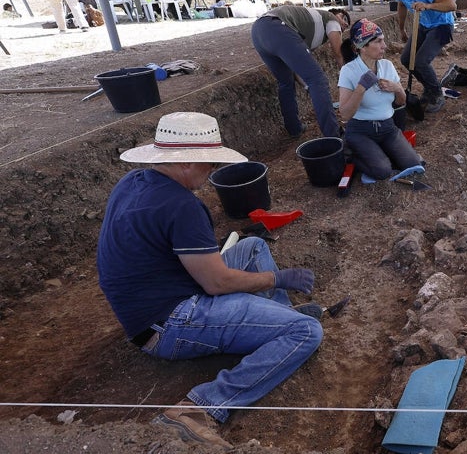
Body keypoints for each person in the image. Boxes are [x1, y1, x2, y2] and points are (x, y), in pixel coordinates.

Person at [96, 111, 323, 448]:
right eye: (210, 162)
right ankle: (200, 407)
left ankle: (277, 319)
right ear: (187, 162)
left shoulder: (132, 182)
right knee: (306, 331)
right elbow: (217, 284)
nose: (213, 169)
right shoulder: (182, 206)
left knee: (253, 246)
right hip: (169, 324)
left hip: (149, 303)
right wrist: (276, 278)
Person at [338, 19, 423, 182]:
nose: (384, 46)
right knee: (382, 171)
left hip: (387, 127)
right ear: (362, 46)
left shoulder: (387, 65)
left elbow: (401, 102)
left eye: (383, 40)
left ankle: (378, 152)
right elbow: (345, 114)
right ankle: (349, 154)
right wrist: (361, 88)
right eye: (378, 41)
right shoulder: (348, 71)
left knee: (412, 163)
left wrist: (397, 89)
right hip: (360, 130)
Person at [251, 5, 351, 138]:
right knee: (318, 80)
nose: (345, 24)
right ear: (335, 13)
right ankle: (334, 135)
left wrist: (307, 86)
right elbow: (339, 54)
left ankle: (294, 128)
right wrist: (351, 82)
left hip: (258, 32)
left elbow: (296, 69)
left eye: (347, 24)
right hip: (277, 27)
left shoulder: (309, 31)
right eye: (344, 18)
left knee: (286, 81)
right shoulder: (331, 19)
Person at [379, 0, 457, 113]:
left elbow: (451, 5)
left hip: (442, 25)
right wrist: (401, 29)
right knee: (407, 59)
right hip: (424, 25)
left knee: (420, 62)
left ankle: (437, 94)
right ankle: (429, 88)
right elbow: (401, 5)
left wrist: (428, 6)